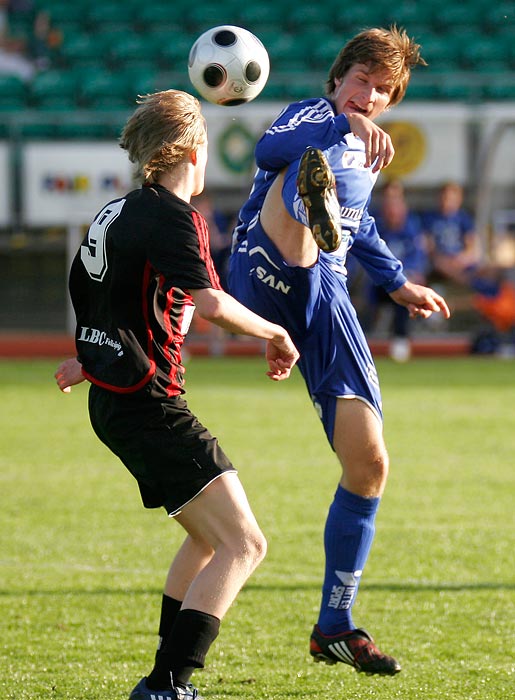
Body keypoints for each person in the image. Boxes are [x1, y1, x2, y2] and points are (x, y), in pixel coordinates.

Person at [54, 89, 299, 700]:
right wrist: (275, 332)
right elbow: (212, 304)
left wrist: (89, 360)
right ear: (192, 149)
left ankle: (165, 679)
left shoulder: (115, 211)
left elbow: (94, 294)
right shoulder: (174, 215)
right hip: (150, 406)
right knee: (245, 544)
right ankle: (167, 684)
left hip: (114, 402)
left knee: (205, 538)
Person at [229, 26, 450, 676]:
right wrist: (340, 130)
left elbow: (363, 227)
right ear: (337, 79)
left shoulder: (368, 148)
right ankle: (309, 201)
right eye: (362, 81)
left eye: (383, 91)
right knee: (303, 172)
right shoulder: (316, 114)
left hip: (326, 296)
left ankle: (334, 625)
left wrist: (396, 282)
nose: (371, 95)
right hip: (264, 263)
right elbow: (270, 145)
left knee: (368, 464)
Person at [365, 179, 429, 361]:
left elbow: (418, 258)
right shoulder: (371, 225)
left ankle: (401, 338)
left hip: (403, 280)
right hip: (378, 283)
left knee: (405, 292)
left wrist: (406, 276)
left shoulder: (412, 229)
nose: (393, 213)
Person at [422, 180, 480, 285]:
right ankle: (464, 282)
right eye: (444, 198)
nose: (446, 202)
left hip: (459, 261)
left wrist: (460, 259)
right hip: (439, 262)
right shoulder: (429, 218)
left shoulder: (464, 219)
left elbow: (471, 247)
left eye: (450, 199)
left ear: (459, 199)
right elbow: (428, 247)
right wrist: (442, 260)